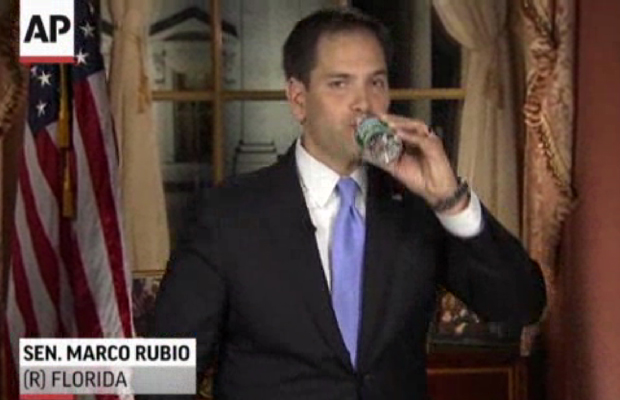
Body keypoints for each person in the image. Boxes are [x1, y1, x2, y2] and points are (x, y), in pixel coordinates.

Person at [146, 6, 546, 400]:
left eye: (376, 82)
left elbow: (520, 305)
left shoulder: (415, 209)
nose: (364, 103)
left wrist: (451, 201)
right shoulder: (227, 215)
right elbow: (161, 378)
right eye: (340, 84)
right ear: (298, 99)